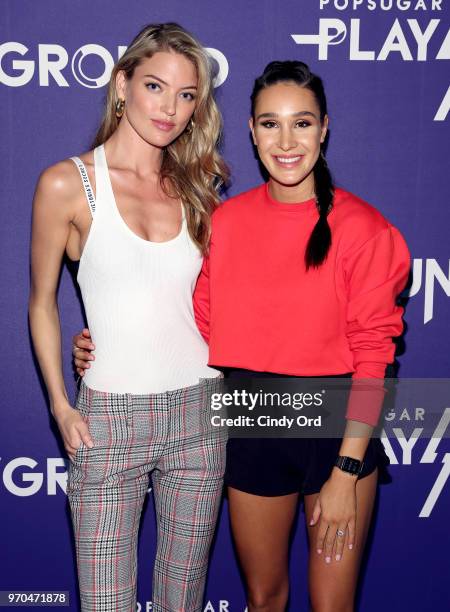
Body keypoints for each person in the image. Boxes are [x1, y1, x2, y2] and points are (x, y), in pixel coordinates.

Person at [73, 60, 410, 611]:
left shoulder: (365, 230)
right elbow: (192, 320)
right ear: (251, 132)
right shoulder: (222, 223)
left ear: (324, 128)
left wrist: (347, 470)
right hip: (252, 417)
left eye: (302, 123)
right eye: (270, 123)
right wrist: (104, 340)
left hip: (337, 428)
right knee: (263, 597)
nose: (286, 141)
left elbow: (376, 358)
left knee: (333, 605)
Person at [29, 22, 228, 612]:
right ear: (122, 85)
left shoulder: (199, 185)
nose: (170, 108)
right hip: (109, 419)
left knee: (182, 600)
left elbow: (204, 301)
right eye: (155, 86)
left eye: (187, 94)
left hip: (200, 414)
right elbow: (41, 301)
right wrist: (62, 406)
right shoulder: (69, 183)